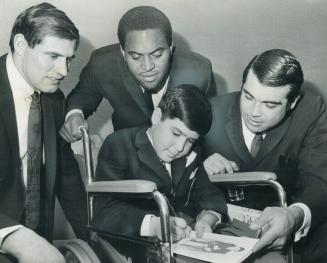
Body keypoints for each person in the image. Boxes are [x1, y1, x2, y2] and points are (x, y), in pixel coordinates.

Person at [202, 49, 327, 262]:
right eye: (248, 96)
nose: (254, 112)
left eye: (270, 104)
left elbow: (317, 180)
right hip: (222, 229)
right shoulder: (211, 111)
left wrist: (294, 215)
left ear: (293, 102)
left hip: (289, 232)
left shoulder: (310, 111)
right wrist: (198, 166)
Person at [0, 3, 87, 263]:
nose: (64, 71)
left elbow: (66, 173)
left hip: (39, 240)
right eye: (53, 56)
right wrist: (12, 234)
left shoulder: (53, 99)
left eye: (68, 59)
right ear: (21, 45)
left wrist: (94, 234)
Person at [59, 5, 217, 143]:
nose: (147, 67)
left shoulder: (198, 71)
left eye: (157, 55)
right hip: (130, 155)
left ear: (170, 47)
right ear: (123, 52)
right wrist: (74, 114)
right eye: (136, 57)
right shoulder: (103, 63)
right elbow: (82, 95)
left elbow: (210, 128)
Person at [92, 85, 227, 243]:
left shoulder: (193, 152)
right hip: (132, 242)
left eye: (190, 140)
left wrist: (207, 218)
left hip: (182, 242)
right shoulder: (118, 145)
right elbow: (104, 211)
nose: (180, 148)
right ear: (156, 117)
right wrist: (154, 225)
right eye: (176, 133)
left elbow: (209, 194)